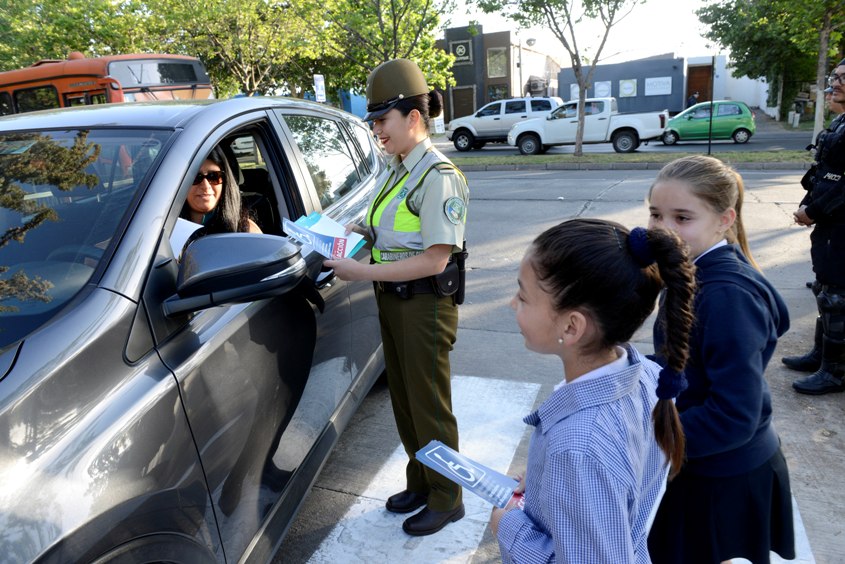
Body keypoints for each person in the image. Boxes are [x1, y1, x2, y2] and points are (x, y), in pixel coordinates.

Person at [490, 218, 696, 563]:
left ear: (571, 327)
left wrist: (509, 526)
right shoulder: (646, 374)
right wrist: (542, 480)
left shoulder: (578, 448)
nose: (513, 304)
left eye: (523, 297)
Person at [324, 58, 469, 536]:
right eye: (373, 121)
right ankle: (423, 481)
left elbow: (434, 259)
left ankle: (448, 497)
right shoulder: (397, 168)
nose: (376, 131)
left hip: (425, 304)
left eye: (382, 121)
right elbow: (389, 227)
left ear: (413, 117)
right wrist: (355, 228)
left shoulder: (439, 176)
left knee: (429, 404)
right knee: (405, 401)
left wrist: (360, 270)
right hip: (394, 299)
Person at [646, 155, 795, 563]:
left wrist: (644, 438)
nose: (663, 229)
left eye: (682, 217)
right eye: (656, 215)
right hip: (700, 460)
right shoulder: (691, 270)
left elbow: (734, 415)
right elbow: (680, 359)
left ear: (725, 219)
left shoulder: (726, 296)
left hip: (720, 474)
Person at [785, 61, 845, 395]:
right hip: (830, 224)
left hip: (840, 224)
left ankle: (835, 372)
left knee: (837, 297)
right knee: (825, 289)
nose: (834, 84)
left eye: (841, 79)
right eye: (834, 77)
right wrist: (810, 205)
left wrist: (814, 209)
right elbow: (825, 173)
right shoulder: (841, 121)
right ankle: (822, 356)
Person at [180, 146, 262, 234]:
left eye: (214, 176)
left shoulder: (246, 230)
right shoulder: (167, 229)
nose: (205, 186)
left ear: (225, 181)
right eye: (195, 178)